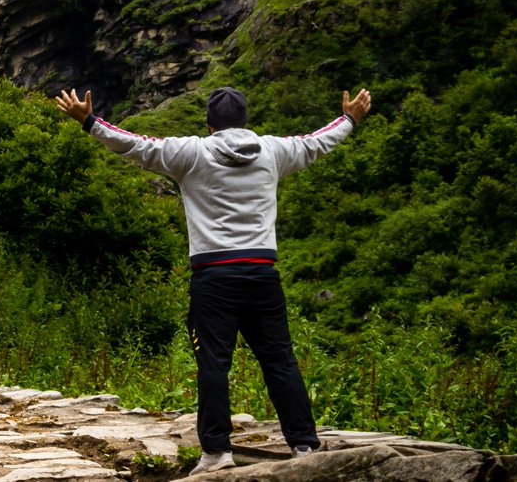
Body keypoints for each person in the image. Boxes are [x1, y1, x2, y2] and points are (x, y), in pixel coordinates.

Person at [55, 86, 371, 475]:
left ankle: (218, 453)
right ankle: (304, 445)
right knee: (280, 360)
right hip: (261, 274)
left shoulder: (190, 153)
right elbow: (318, 142)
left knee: (213, 365)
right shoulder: (273, 151)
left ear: (209, 125)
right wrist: (350, 118)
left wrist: (89, 121)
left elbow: (134, 145)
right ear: (245, 121)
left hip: (213, 277)